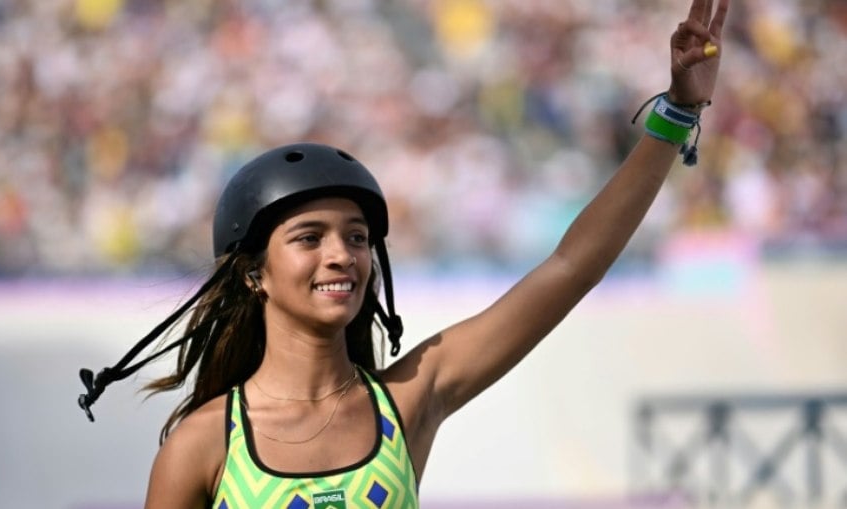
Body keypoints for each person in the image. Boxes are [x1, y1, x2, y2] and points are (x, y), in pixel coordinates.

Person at [76, 0, 729, 507]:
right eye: (310, 238)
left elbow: (570, 267)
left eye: (357, 237)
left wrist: (678, 110)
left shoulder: (411, 398)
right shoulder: (199, 446)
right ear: (254, 274)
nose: (342, 255)